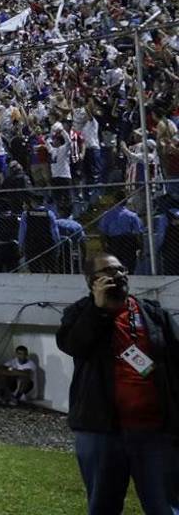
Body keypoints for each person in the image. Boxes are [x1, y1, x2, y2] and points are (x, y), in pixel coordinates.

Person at [57, 252, 179, 515]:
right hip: (101, 431)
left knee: (165, 506)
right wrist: (97, 309)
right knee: (103, 506)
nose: (119, 276)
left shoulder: (153, 315)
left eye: (121, 269)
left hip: (154, 432)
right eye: (110, 272)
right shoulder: (78, 314)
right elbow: (74, 345)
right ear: (92, 281)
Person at [99, 197, 144, 275]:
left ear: (114, 201)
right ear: (126, 202)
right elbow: (139, 233)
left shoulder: (107, 215)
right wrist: (141, 247)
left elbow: (102, 232)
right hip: (128, 243)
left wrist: (104, 247)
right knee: (129, 266)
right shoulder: (132, 215)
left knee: (115, 266)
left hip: (114, 242)